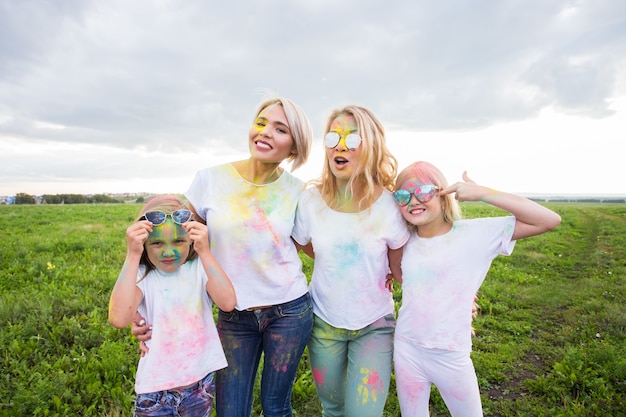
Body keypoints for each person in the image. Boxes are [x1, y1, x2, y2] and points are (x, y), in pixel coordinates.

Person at [132, 97, 315, 417]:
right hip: (234, 316)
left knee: (276, 407)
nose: (266, 132)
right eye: (261, 123)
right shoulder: (210, 179)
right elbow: (172, 249)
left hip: (289, 312)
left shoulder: (296, 191)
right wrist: (144, 313)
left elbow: (316, 248)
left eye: (280, 129)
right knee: (231, 410)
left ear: (295, 148)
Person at [391, 161, 562, 417]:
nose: (413, 201)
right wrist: (445, 295)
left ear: (443, 194)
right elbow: (403, 276)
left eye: (424, 191)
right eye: (403, 196)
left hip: (451, 354)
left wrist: (484, 193)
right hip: (407, 349)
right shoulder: (403, 240)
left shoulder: (476, 234)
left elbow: (549, 220)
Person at [292, 105, 410, 417]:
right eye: (333, 138)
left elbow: (400, 265)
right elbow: (303, 243)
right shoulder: (310, 201)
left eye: (352, 140)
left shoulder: (388, 206)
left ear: (370, 147)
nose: (340, 146)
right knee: (333, 408)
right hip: (323, 323)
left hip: (374, 325)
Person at [108, 195, 236, 417]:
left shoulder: (199, 268)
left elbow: (227, 302)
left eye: (178, 241)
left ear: (191, 240)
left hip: (199, 388)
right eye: (156, 243)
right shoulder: (142, 276)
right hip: (155, 391)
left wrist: (205, 251)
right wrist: (132, 255)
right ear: (144, 244)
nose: (168, 252)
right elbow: (118, 318)